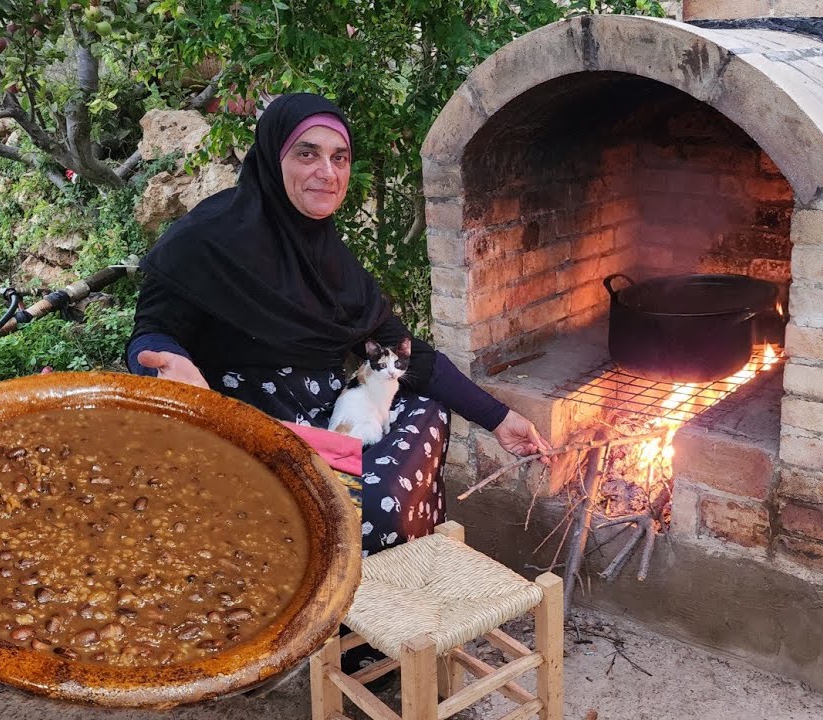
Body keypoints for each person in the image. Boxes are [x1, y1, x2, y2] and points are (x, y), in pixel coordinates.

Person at [126, 92, 551, 557]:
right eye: (307, 154)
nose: (327, 173)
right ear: (272, 157)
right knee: (372, 510)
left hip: (331, 415)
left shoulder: (332, 261)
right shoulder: (205, 240)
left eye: (339, 158)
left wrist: (499, 419)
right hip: (254, 426)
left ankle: (385, 576)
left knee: (427, 407)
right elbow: (151, 336)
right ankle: (353, 606)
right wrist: (169, 366)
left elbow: (407, 351)